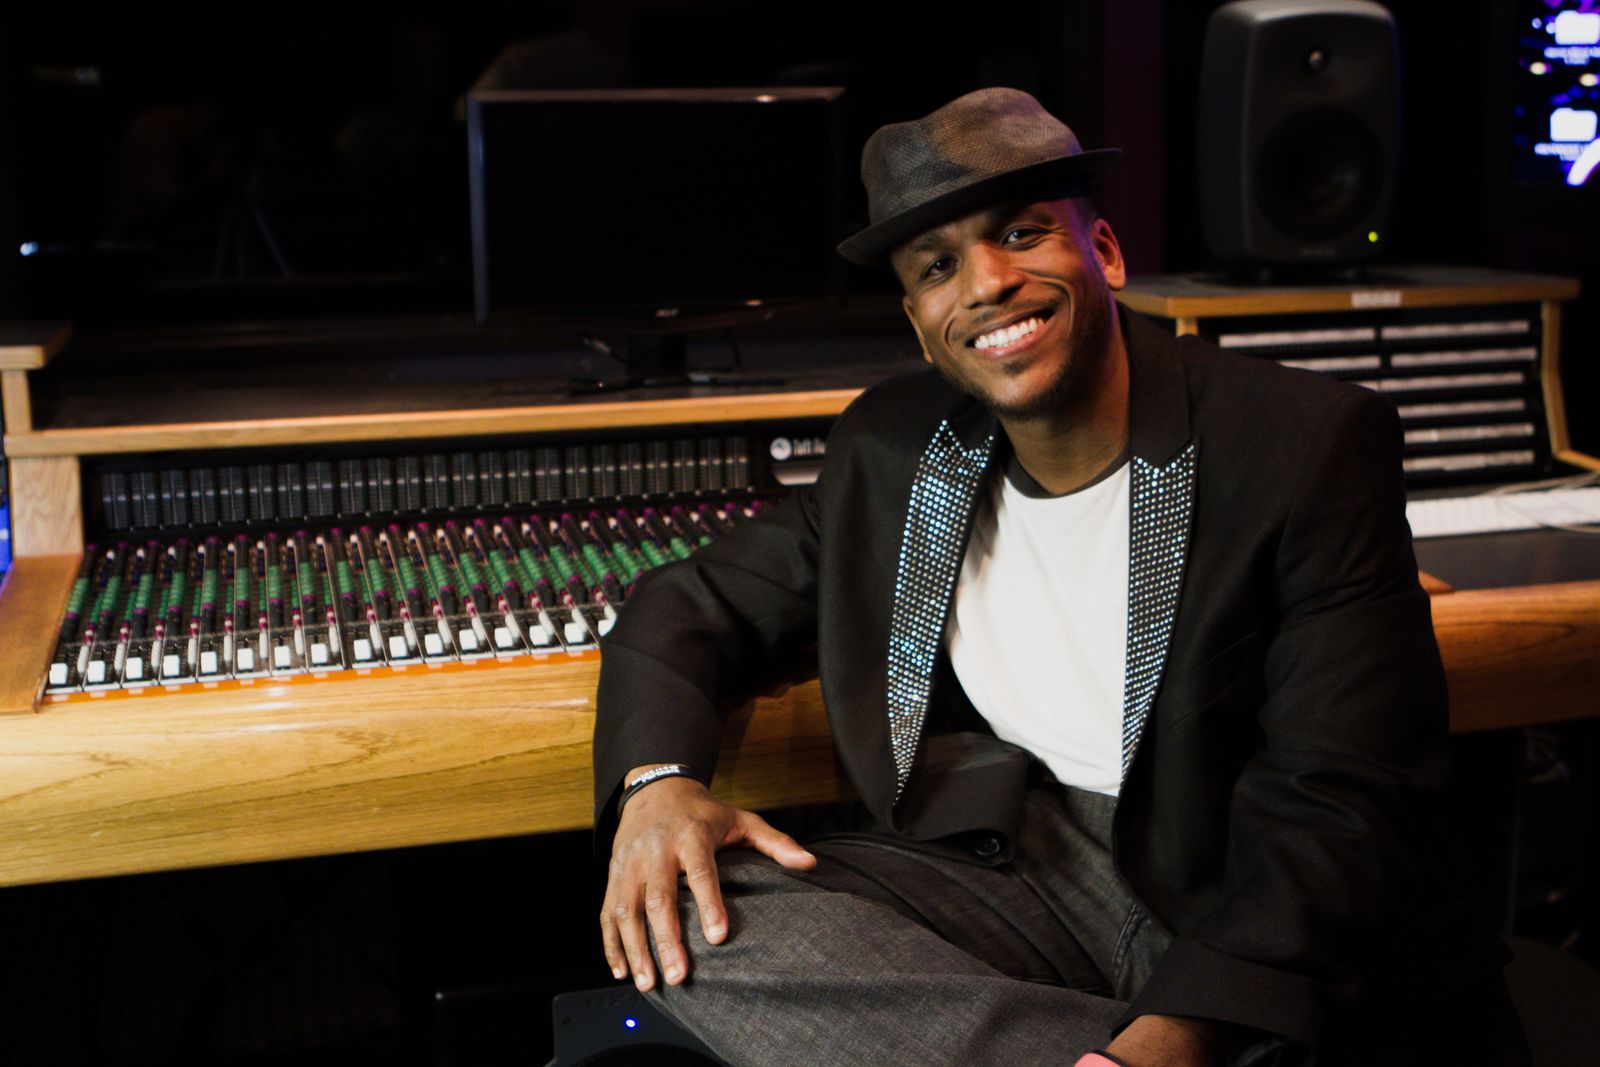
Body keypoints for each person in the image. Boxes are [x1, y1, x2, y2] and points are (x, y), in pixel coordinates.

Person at [591, 88, 1516, 1066]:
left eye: (1020, 233)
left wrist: (1177, 1033)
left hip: (1235, 890)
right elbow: (686, 603)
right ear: (920, 324)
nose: (987, 282)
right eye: (938, 266)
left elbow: (1341, 801)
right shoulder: (891, 450)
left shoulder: (1303, 443)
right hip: (1024, 863)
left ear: (1104, 252)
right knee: (682, 907)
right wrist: (657, 784)